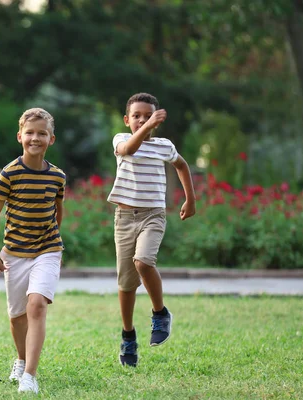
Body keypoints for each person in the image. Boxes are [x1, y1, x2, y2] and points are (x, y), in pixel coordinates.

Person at [107, 92, 196, 367]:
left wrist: (190, 198)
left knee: (144, 261)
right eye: (136, 116)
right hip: (124, 217)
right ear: (127, 120)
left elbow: (181, 164)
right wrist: (146, 127)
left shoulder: (163, 145)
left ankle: (160, 313)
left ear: (156, 122)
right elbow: (129, 150)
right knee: (126, 283)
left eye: (148, 116)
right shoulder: (121, 139)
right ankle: (128, 336)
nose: (142, 120)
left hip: (153, 215)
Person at [0, 108, 66, 394]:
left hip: (48, 249)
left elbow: (58, 210)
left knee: (37, 305)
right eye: (30, 133)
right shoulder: (10, 173)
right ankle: (20, 359)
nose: (35, 138)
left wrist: (52, 239)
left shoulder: (57, 176)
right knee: (17, 316)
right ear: (20, 137)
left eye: (42, 133)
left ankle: (30, 375)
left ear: (51, 139)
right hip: (15, 253)